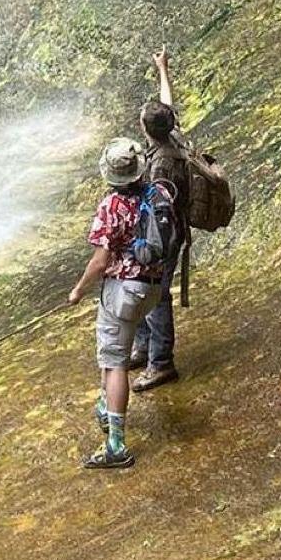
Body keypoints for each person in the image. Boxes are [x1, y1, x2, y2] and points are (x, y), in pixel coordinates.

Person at [69, 137, 174, 470]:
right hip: (153, 288)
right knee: (113, 350)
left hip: (124, 293)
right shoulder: (159, 193)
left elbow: (100, 261)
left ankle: (116, 445)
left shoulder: (112, 206)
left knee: (115, 362)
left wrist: (78, 290)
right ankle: (105, 405)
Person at [131, 48, 192, 392]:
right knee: (141, 289)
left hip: (164, 236)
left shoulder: (161, 168)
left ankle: (161, 363)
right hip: (159, 233)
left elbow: (161, 214)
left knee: (156, 295)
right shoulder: (171, 136)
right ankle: (143, 347)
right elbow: (166, 105)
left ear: (147, 130)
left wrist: (151, 249)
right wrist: (163, 68)